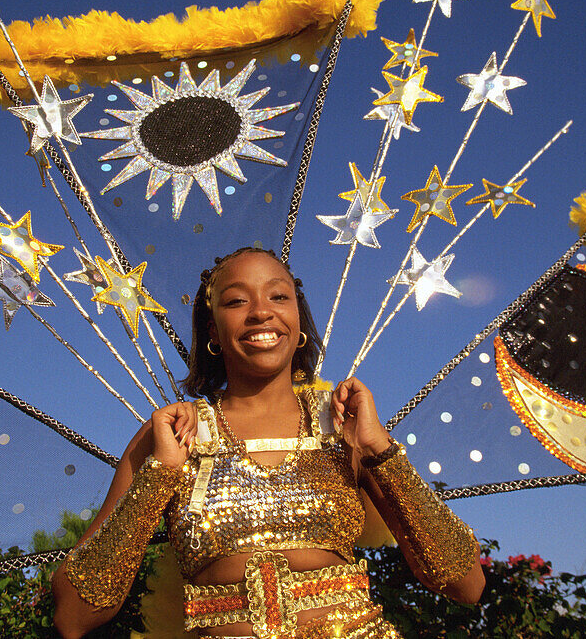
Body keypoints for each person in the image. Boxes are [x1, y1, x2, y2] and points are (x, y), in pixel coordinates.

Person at [53, 248, 484, 638]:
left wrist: (378, 453)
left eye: (279, 297)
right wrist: (159, 477)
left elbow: (467, 584)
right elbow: (73, 618)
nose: (261, 312)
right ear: (213, 333)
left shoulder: (345, 424)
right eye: (237, 300)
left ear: (298, 324)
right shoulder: (170, 435)